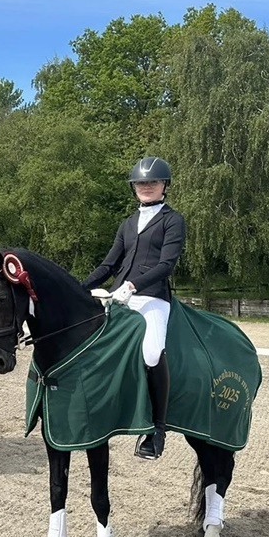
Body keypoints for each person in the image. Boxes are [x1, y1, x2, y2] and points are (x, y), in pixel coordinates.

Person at [83, 156, 185, 461]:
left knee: (152, 353)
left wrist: (134, 285)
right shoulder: (127, 223)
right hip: (118, 295)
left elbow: (166, 265)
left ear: (164, 185)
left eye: (153, 182)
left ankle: (157, 430)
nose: (146, 186)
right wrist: (78, 287)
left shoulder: (172, 220)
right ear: (134, 187)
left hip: (152, 296)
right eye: (141, 182)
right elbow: (109, 264)